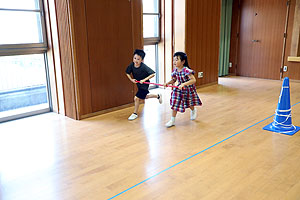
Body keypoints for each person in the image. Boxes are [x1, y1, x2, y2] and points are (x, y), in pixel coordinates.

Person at [164, 52, 202, 127]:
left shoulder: (186, 70)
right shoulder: (175, 70)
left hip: (188, 89)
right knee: (175, 103)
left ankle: (193, 110)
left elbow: (193, 80)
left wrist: (184, 84)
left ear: (183, 61)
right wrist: (168, 83)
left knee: (189, 103)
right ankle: (172, 120)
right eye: (174, 60)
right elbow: (174, 80)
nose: (174, 62)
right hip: (179, 89)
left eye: (177, 60)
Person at [126, 49, 162, 120]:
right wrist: (131, 79)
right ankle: (157, 96)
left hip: (144, 85)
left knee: (136, 98)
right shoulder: (132, 65)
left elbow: (153, 74)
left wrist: (144, 80)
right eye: (135, 58)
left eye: (138, 59)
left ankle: (135, 113)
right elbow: (127, 73)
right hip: (139, 85)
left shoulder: (143, 66)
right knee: (144, 97)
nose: (136, 60)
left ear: (142, 60)